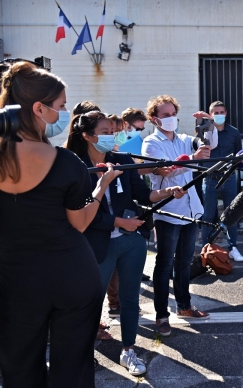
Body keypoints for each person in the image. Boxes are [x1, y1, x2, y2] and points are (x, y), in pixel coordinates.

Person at [0, 62, 120, 387]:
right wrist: (102, 185)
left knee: (19, 369)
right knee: (74, 371)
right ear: (39, 108)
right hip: (72, 276)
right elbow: (79, 223)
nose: (64, 112)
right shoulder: (66, 162)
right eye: (62, 105)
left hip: (14, 282)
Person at [65, 110, 186, 375]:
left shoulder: (121, 160)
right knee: (89, 302)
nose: (112, 137)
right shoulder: (75, 166)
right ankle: (83, 354)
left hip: (131, 242)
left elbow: (143, 195)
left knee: (130, 299)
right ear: (87, 136)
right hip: (96, 245)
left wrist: (167, 191)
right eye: (105, 133)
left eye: (112, 132)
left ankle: (129, 350)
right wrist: (118, 222)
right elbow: (78, 212)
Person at [142, 94, 212, 337]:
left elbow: (206, 148)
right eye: (165, 115)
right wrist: (193, 159)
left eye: (173, 114)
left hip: (191, 209)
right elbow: (168, 172)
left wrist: (208, 126)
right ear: (154, 119)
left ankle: (185, 306)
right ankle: (162, 315)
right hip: (169, 210)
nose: (171, 119)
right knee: (164, 265)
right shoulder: (151, 143)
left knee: (184, 262)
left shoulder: (184, 139)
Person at [199, 101, 243, 261]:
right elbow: (198, 151)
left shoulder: (234, 133)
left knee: (231, 213)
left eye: (221, 112)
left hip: (229, 178)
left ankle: (233, 247)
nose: (219, 115)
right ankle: (206, 248)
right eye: (215, 112)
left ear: (226, 113)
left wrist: (242, 161)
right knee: (208, 215)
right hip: (210, 178)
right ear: (210, 114)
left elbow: (240, 155)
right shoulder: (204, 131)